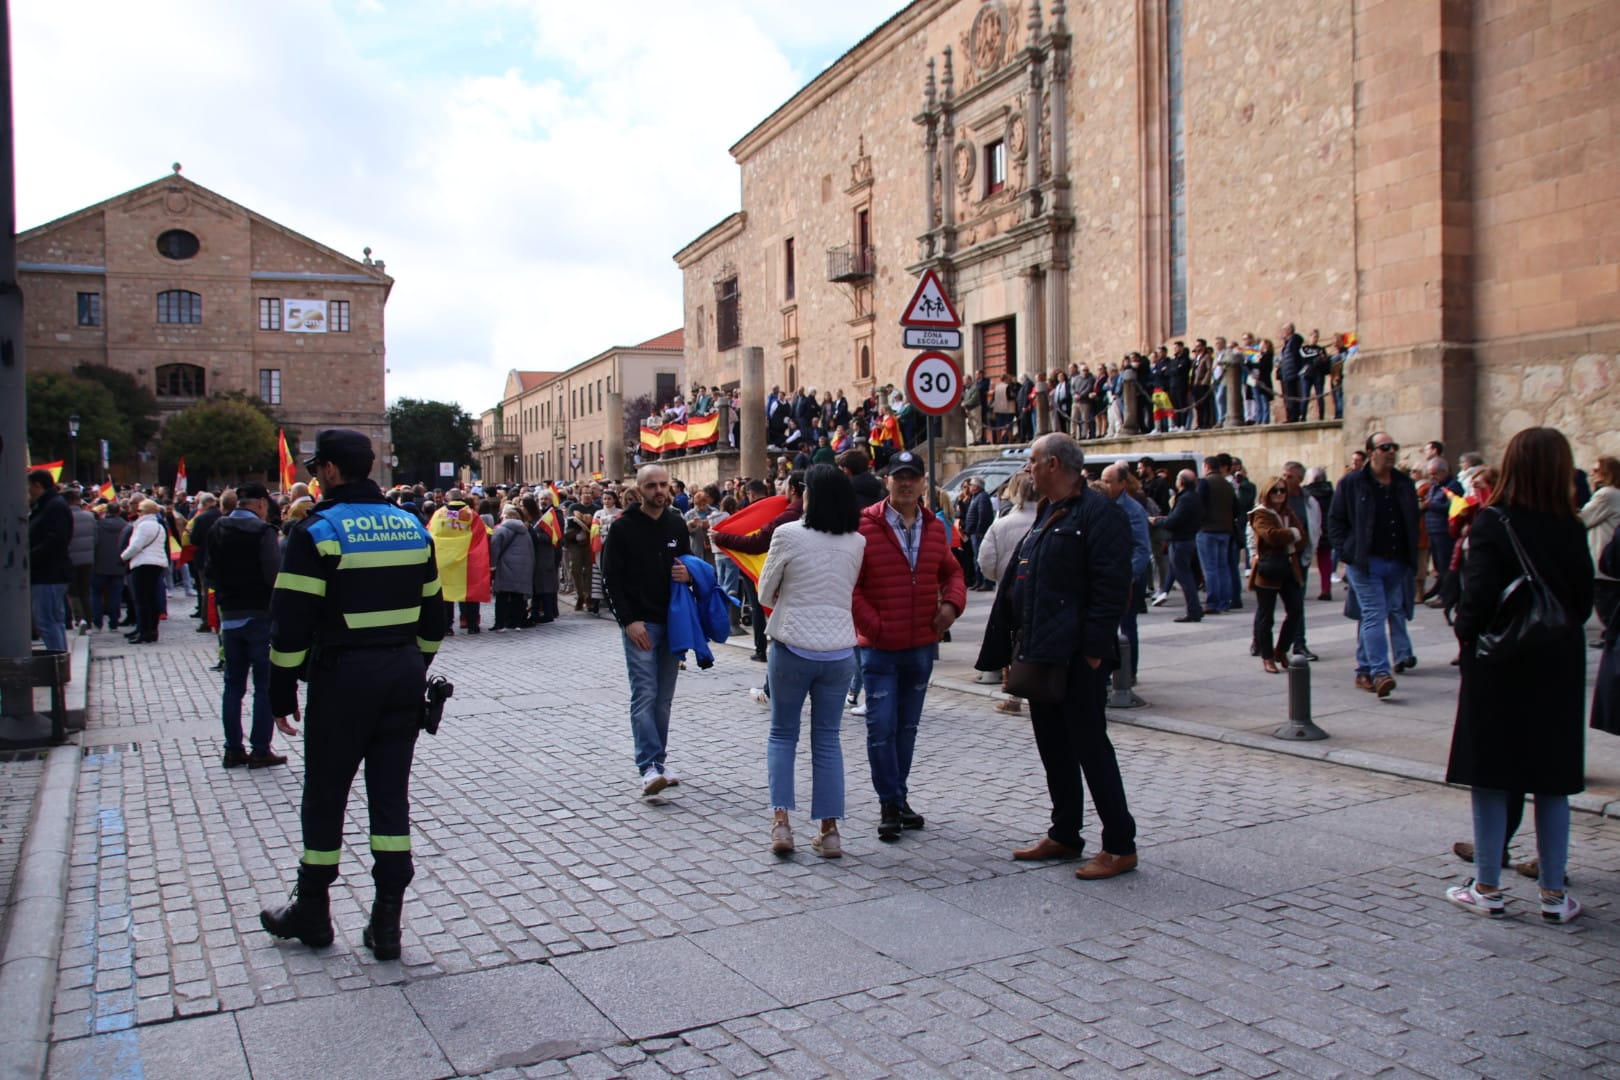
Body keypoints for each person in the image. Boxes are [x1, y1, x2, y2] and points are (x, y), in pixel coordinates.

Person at [260, 429, 444, 961]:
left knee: (325, 794)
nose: (316, 477)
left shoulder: (317, 531)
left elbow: (290, 624)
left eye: (318, 469)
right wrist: (410, 665)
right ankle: (387, 922)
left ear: (333, 471)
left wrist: (280, 691)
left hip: (342, 679)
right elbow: (434, 618)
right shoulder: (412, 527)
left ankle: (313, 910)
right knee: (390, 797)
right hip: (402, 676)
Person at [1444, 427, 1593, 924]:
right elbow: (1583, 602)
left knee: (1491, 775)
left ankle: (1487, 884)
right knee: (1551, 780)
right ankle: (1553, 893)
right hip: (1557, 663)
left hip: (1500, 663)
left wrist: (1467, 643)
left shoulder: (1494, 522)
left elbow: (1476, 600)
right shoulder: (1570, 526)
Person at [977, 434, 1138, 880]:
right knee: (1054, 748)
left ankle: (1120, 844)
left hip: (1077, 658)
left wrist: (1091, 653)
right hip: (1042, 651)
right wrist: (1013, 644)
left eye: (1031, 460)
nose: (1026, 469)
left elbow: (1111, 589)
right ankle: (1065, 832)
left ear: (1051, 463)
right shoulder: (1050, 512)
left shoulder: (1099, 514)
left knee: (1090, 747)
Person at [851, 450, 965, 841]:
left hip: (920, 646)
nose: (905, 483)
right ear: (887, 481)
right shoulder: (864, 526)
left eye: (912, 476)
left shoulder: (935, 528)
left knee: (907, 728)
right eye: (898, 476)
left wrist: (951, 605)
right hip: (880, 647)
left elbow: (952, 572)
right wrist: (874, 625)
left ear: (922, 482)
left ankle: (899, 797)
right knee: (880, 727)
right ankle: (888, 802)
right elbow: (851, 586)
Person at [757, 465, 866, 858]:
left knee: (783, 735)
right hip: (839, 649)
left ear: (810, 496)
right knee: (828, 740)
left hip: (792, 644)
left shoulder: (788, 535)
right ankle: (830, 830)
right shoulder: (856, 541)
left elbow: (765, 592)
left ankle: (782, 824)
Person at [602, 465, 694, 797]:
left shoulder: (675, 523)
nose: (659, 491)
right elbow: (611, 578)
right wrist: (628, 621)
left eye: (663, 485)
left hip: (673, 622)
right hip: (641, 624)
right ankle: (648, 766)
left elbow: (689, 563)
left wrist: (689, 575)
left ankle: (659, 760)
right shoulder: (623, 528)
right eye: (652, 486)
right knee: (645, 694)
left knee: (663, 699)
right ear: (639, 491)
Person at [1327, 432, 1421, 698]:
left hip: (1396, 562)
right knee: (1375, 613)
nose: (1391, 451)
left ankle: (1364, 669)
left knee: (1374, 616)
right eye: (1384, 447)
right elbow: (1335, 521)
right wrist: (1348, 551)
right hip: (1366, 562)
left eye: (1394, 447)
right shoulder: (1353, 483)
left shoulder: (1403, 483)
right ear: (1371, 452)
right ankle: (1380, 673)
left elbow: (1412, 519)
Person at [207, 482, 286, 768]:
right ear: (262, 504)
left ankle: (232, 748)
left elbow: (209, 570)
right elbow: (273, 575)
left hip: (230, 615)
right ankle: (260, 749)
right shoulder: (264, 533)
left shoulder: (217, 528)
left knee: (233, 686)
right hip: (260, 616)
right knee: (263, 686)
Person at [1100, 463, 1152, 686]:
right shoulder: (1103, 504)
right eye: (1103, 479)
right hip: (1108, 575)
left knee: (1128, 624)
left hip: (1127, 577)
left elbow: (1142, 548)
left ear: (1122, 483)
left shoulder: (1132, 509)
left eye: (1109, 481)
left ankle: (1128, 672)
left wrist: (1129, 575)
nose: (1104, 484)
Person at [1248, 478, 1307, 674]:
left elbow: (1303, 538)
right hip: (1269, 567)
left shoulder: (1288, 511)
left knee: (1296, 610)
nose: (1280, 494)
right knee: (1267, 616)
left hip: (1290, 566)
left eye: (1282, 491)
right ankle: (1267, 657)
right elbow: (1270, 535)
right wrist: (1291, 533)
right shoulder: (1261, 514)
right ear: (1267, 493)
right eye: (1275, 491)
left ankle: (1281, 650)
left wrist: (1290, 535)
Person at [27, 470, 74, 653]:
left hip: (48, 574)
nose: (28, 491)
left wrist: (30, 556)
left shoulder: (53, 506)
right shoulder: (52, 504)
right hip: (50, 572)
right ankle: (60, 662)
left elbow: (55, 540)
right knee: (53, 621)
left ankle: (58, 662)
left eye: (30, 486)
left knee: (47, 621)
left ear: (38, 485)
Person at [1152, 470, 1203, 623]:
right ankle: (1195, 609)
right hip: (1187, 539)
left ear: (1180, 482)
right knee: (1185, 575)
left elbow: (1174, 521)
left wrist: (1157, 521)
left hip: (1180, 540)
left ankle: (1194, 610)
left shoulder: (1186, 498)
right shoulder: (1194, 497)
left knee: (1184, 577)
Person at [1580, 456, 1620, 641]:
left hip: (1602, 555)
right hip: (1611, 556)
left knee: (1606, 601)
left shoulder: (1605, 494)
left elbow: (1583, 519)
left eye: (1596, 470)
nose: (1592, 474)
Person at [120, 499, 169, 644]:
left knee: (141, 600)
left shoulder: (143, 526)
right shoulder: (159, 526)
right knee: (152, 599)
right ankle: (152, 630)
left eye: (139, 511)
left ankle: (144, 631)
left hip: (143, 564)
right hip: (157, 564)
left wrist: (123, 557)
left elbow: (136, 546)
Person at [489, 504, 534, 632]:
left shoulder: (501, 529)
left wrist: (492, 565)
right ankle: (517, 623)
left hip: (505, 566)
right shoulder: (525, 531)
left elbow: (495, 547)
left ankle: (500, 623)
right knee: (518, 596)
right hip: (523, 567)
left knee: (502, 595)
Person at [91, 502, 132, 631]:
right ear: (119, 511)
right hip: (118, 564)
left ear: (106, 512)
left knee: (96, 593)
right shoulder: (126, 526)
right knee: (115, 594)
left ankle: (97, 620)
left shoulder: (98, 525)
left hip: (100, 564)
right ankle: (114, 621)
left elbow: (94, 544)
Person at [64, 489, 96, 634]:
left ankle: (79, 618)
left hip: (69, 559)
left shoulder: (62, 516)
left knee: (72, 592)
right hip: (87, 559)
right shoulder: (89, 516)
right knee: (84, 591)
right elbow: (96, 538)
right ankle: (88, 622)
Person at [963, 478, 995, 590]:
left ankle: (985, 581)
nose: (969, 487)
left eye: (971, 485)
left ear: (977, 486)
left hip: (978, 533)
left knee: (981, 557)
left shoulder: (982, 497)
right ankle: (979, 580)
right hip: (973, 532)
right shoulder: (975, 497)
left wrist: (980, 530)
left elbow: (983, 515)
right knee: (976, 558)